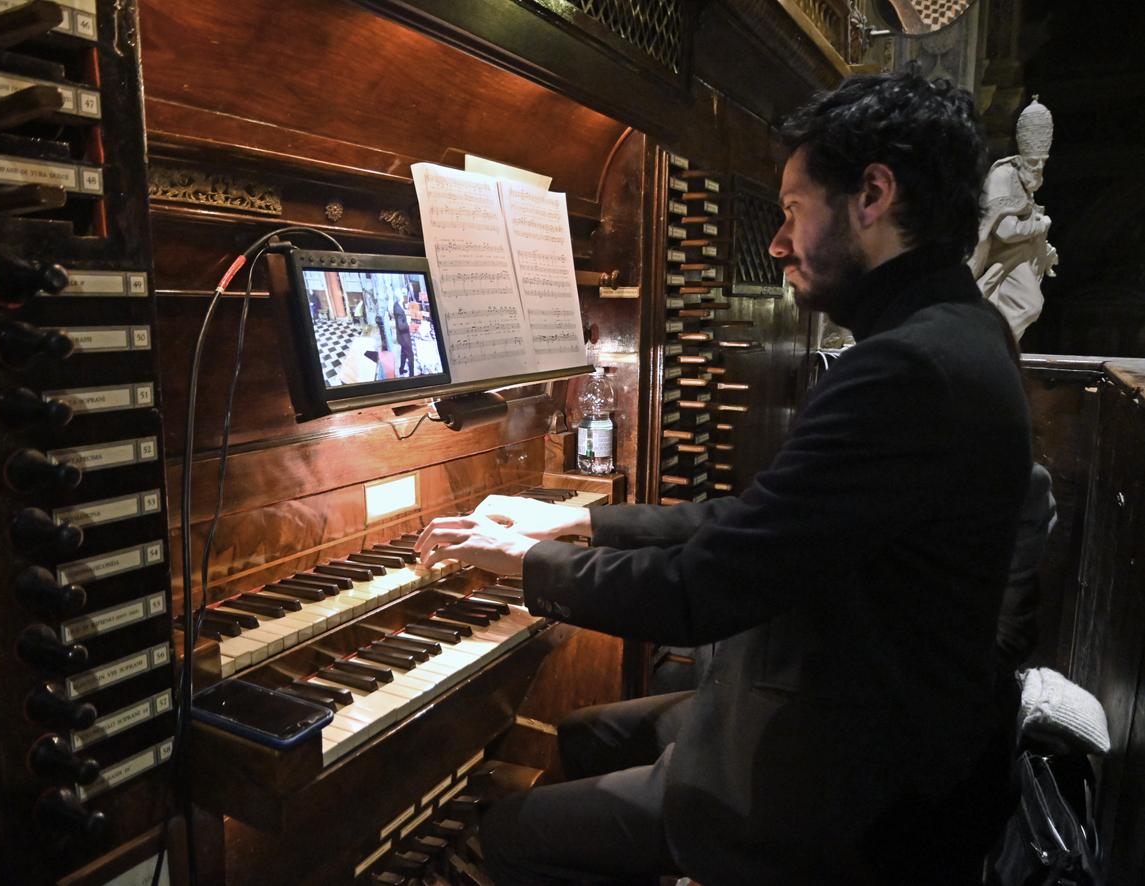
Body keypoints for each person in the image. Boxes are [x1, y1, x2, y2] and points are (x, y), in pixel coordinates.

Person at [414, 70, 1032, 886]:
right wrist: (577, 523)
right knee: (585, 734)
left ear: (872, 195)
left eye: (790, 209)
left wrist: (516, 563)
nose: (776, 243)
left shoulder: (908, 366)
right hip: (868, 709)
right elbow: (766, 519)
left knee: (515, 832)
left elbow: (699, 593)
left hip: (856, 788)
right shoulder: (960, 332)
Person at [968, 97, 1058, 342]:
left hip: (1016, 259)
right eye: (1032, 162)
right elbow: (1006, 231)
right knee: (1029, 304)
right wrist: (1041, 225)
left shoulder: (1027, 182)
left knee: (1029, 305)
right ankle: (991, 343)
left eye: (1043, 162)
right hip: (998, 257)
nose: (1038, 168)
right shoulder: (1003, 175)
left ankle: (995, 345)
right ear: (1020, 158)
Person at [393, 289, 416, 377]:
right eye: (402, 295)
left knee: (403, 353)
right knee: (410, 355)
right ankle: (412, 374)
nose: (403, 296)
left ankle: (401, 369)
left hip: (401, 337)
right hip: (404, 337)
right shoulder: (399, 310)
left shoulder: (396, 304)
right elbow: (401, 326)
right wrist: (408, 321)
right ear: (400, 297)